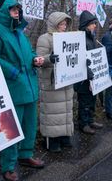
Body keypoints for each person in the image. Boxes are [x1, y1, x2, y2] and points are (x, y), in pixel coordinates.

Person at [0, 0, 44, 181]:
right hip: (12, 86)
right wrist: (14, 72)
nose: (17, 12)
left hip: (29, 86)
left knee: (29, 124)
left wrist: (34, 59)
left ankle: (26, 154)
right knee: (10, 128)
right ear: (4, 11)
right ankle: (8, 166)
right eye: (13, 9)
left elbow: (28, 52)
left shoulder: (20, 32)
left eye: (18, 9)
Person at [36, 12, 74, 153]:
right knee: (52, 111)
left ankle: (64, 136)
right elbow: (39, 59)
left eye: (65, 24)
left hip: (66, 80)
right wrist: (49, 59)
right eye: (61, 24)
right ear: (54, 24)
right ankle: (52, 140)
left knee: (65, 109)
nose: (64, 27)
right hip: (51, 82)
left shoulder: (68, 38)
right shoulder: (44, 39)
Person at [74, 10, 104, 135]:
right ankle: (83, 123)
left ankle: (90, 120)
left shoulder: (92, 38)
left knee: (92, 99)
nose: (95, 26)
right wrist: (88, 72)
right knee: (84, 100)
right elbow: (80, 59)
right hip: (83, 78)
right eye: (93, 24)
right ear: (86, 25)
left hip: (92, 75)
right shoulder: (79, 38)